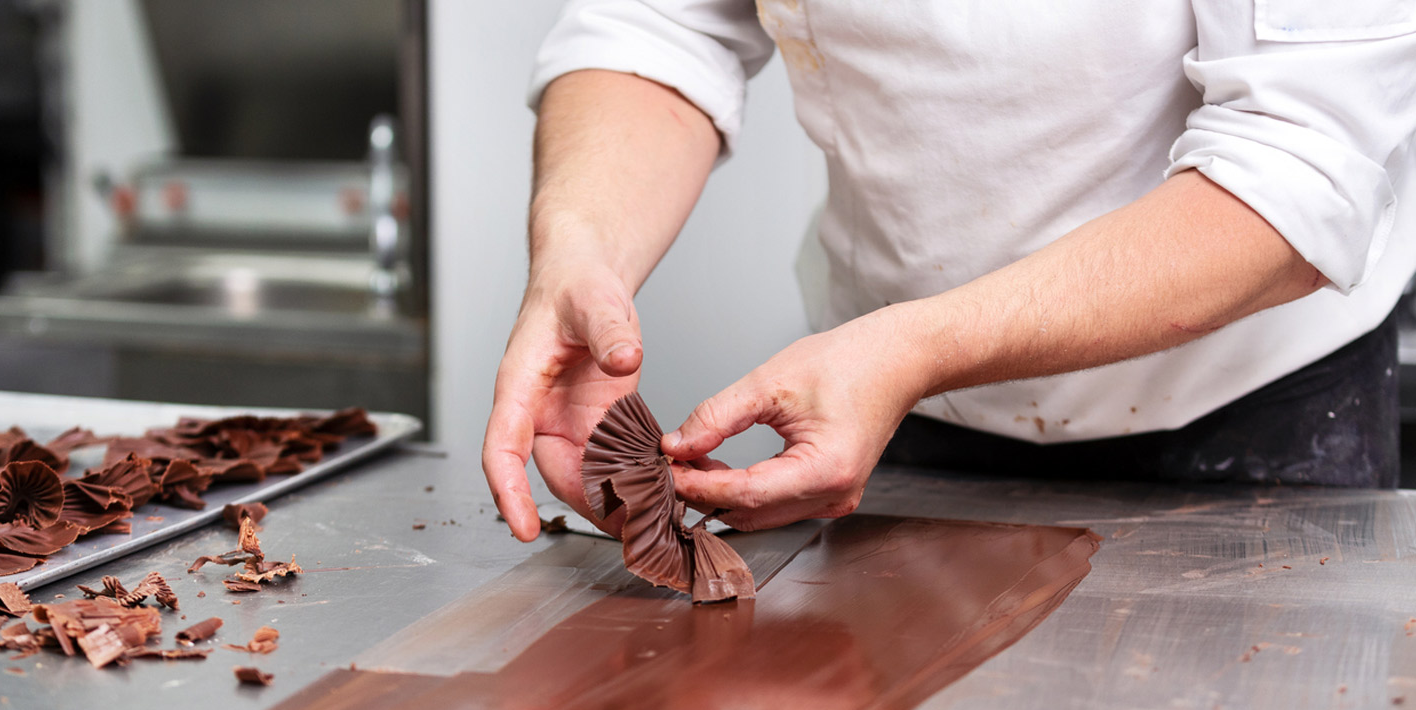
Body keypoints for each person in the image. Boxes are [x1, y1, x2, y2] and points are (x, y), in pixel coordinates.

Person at [484, 1, 1416, 542]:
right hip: (895, 413)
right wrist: (582, 243)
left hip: (1251, 411)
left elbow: (1300, 162)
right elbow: (659, 26)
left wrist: (915, 345)